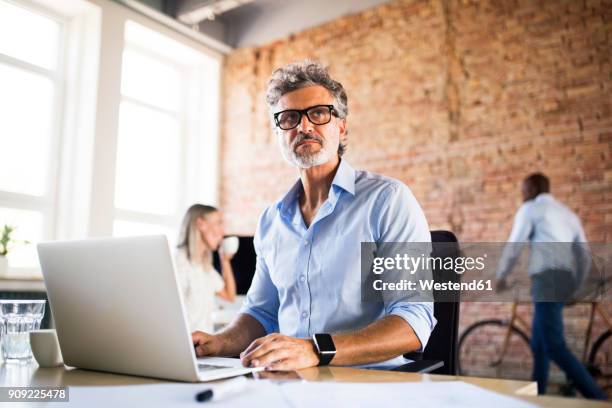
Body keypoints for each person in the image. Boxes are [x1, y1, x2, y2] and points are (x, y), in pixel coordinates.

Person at [192, 60, 436, 371]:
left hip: (368, 383)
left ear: (341, 125)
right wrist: (218, 343)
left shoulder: (388, 200)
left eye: (318, 113)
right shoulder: (271, 221)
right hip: (287, 380)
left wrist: (316, 349)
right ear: (279, 132)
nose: (303, 126)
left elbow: (414, 319)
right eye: (289, 118)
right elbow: (261, 313)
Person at [496, 173, 606, 400]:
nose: (522, 194)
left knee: (554, 346)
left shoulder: (530, 209)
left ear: (534, 188)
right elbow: (584, 257)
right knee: (539, 344)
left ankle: (599, 399)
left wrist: (501, 276)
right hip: (564, 279)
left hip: (547, 281)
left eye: (524, 189)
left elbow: (515, 245)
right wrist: (574, 287)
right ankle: (538, 399)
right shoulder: (568, 214)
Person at [175, 204, 237, 333]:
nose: (222, 232)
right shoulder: (178, 262)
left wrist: (225, 261)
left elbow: (230, 296)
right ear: (201, 224)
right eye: (218, 223)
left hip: (203, 345)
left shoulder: (204, 267)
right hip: (186, 343)